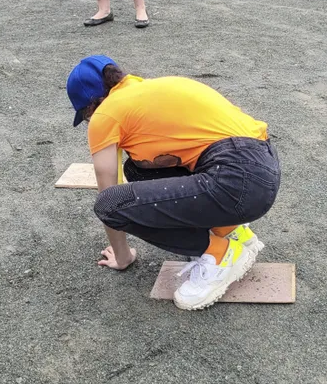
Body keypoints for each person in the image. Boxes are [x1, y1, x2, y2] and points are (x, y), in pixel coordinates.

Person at [66, 55, 280, 311]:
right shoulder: (148, 91)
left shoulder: (105, 114)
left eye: (87, 117)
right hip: (261, 171)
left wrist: (123, 257)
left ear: (91, 106)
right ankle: (230, 229)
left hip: (235, 180)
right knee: (138, 168)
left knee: (109, 205)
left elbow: (108, 194)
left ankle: (220, 254)